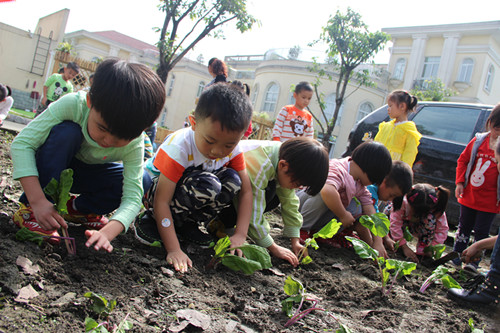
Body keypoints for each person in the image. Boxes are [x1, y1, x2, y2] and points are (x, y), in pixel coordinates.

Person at [11, 58, 165, 253]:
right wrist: (37, 200)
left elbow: (133, 197)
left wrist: (108, 232)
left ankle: (79, 210)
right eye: (102, 128)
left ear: (144, 127)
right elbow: (22, 144)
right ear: (90, 101)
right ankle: (32, 212)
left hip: (87, 175)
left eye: (121, 137)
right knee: (67, 133)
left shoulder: (135, 141)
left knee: (143, 179)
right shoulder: (73, 105)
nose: (108, 141)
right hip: (53, 163)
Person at [134, 83, 253, 273]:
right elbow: (162, 201)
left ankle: (186, 224)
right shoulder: (180, 147)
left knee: (232, 181)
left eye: (228, 145)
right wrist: (174, 249)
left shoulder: (234, 150)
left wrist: (240, 234)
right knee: (209, 184)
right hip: (154, 195)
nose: (217, 151)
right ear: (194, 123)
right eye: (210, 141)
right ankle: (150, 220)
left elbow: (246, 191)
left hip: (188, 190)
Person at [217, 137, 329, 267]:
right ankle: (220, 220)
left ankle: (224, 223)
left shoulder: (285, 158)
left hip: (238, 192)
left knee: (276, 193)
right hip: (218, 187)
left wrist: (295, 240)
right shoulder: (259, 164)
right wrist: (273, 247)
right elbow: (253, 209)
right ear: (283, 165)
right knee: (270, 193)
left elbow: (290, 200)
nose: (298, 188)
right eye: (297, 183)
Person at [299, 141, 392, 257]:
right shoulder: (338, 168)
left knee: (356, 207)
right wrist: (343, 214)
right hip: (301, 208)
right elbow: (327, 190)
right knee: (326, 192)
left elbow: (370, 210)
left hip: (317, 216)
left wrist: (377, 243)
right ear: (372, 172)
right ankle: (301, 230)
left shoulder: (359, 183)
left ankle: (320, 234)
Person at [448, 138, 500, 305]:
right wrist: (479, 245)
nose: (497, 167)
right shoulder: (478, 141)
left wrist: (479, 245)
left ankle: (492, 289)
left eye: (498, 161)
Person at [452, 103, 500, 270]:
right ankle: (457, 254)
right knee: (463, 227)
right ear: (490, 123)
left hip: (490, 201)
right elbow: (463, 161)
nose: (497, 132)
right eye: (496, 128)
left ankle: (473, 261)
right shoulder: (479, 141)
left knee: (482, 231)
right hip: (470, 195)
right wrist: (459, 182)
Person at [387, 183, 450, 263]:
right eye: (415, 211)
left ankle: (423, 249)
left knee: (430, 219)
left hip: (419, 226)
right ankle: (390, 240)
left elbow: (442, 229)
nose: (417, 215)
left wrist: (432, 247)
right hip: (402, 221)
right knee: (389, 213)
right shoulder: (403, 202)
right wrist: (403, 246)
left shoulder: (435, 208)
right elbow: (395, 224)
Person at [374, 90, 422, 167]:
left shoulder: (409, 131)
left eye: (390, 106)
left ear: (402, 106)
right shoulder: (385, 126)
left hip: (393, 170)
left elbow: (410, 153)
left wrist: (401, 170)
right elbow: (376, 144)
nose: (388, 109)